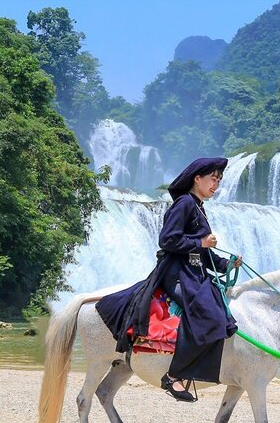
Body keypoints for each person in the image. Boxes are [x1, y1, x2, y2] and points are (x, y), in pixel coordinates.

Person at [96, 157, 242, 402]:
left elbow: (203, 254)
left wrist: (227, 264)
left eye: (219, 180)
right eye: (213, 179)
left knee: (220, 312)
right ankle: (173, 376)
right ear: (198, 178)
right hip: (177, 273)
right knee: (208, 315)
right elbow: (167, 240)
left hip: (194, 272)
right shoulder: (184, 204)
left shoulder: (198, 207)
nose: (216, 184)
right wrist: (200, 242)